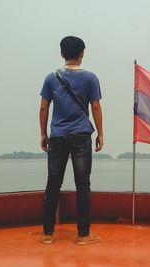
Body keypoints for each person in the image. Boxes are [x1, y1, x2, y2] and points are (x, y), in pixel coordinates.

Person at [39, 36, 103, 245]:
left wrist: (43, 134)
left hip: (57, 136)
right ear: (82, 54)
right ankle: (83, 235)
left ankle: (48, 234)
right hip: (82, 135)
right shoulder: (90, 78)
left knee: (53, 183)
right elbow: (95, 107)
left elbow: (44, 107)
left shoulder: (51, 78)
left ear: (62, 53)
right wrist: (100, 133)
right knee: (83, 184)